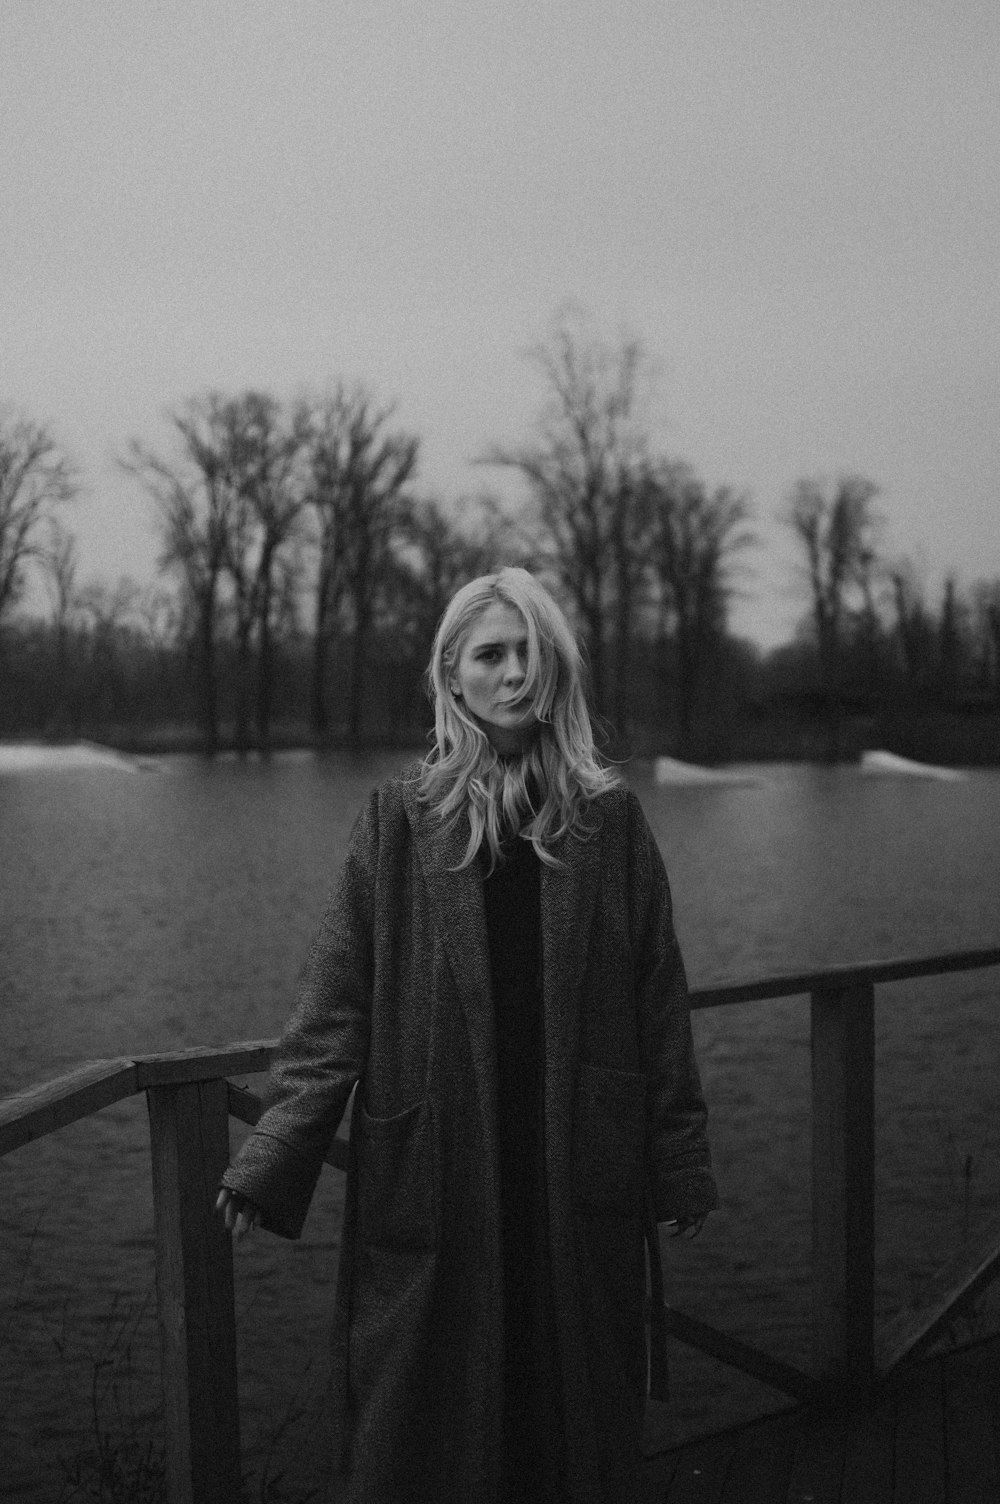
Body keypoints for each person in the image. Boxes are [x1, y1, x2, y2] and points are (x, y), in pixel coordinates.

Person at [217, 566, 718, 1504]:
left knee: (566, 1423)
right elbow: (334, 1009)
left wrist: (679, 1154)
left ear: (557, 669)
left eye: (531, 652)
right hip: (442, 1174)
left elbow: (660, 1000)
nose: (515, 673)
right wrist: (276, 1152)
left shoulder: (610, 821)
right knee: (430, 1434)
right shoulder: (399, 821)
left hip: (576, 1165)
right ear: (452, 679)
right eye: (491, 654)